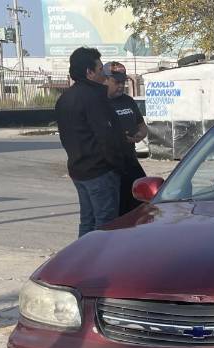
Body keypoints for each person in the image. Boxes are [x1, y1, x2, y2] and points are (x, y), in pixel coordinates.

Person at [55, 47, 127, 237]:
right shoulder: (95, 97)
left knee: (87, 221)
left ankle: (82, 260)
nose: (103, 74)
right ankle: (101, 263)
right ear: (89, 72)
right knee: (105, 224)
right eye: (100, 68)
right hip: (100, 171)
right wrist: (117, 164)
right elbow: (107, 136)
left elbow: (65, 137)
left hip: (79, 169)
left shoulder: (64, 98)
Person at [103, 61, 147, 216]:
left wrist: (140, 135)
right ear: (105, 79)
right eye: (117, 82)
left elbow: (142, 126)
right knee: (116, 210)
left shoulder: (128, 101)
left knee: (142, 201)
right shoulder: (100, 103)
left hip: (130, 160)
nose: (121, 86)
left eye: (123, 82)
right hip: (110, 165)